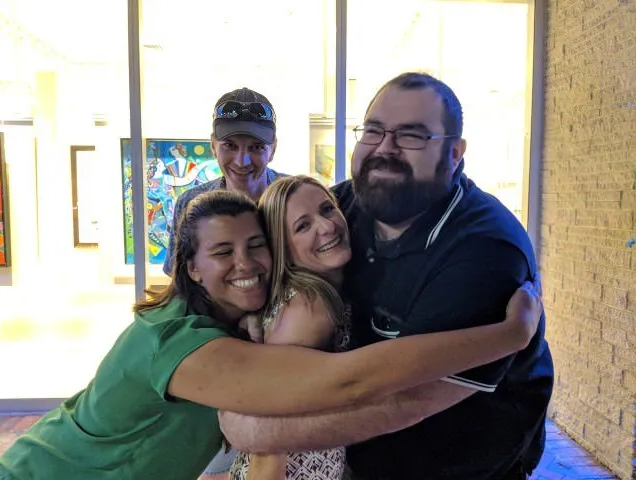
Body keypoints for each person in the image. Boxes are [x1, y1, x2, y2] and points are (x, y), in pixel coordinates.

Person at [0, 189, 541, 480]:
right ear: (190, 268)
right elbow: (347, 383)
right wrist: (508, 337)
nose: (246, 263)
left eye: (256, 245)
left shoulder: (235, 322)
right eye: (222, 252)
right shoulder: (182, 344)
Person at [219, 73, 554, 480]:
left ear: (454, 153)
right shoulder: (345, 205)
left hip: (461, 467)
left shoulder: (484, 250)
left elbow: (405, 398)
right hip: (357, 463)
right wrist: (252, 317)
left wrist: (255, 432)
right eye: (374, 130)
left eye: (411, 135)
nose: (385, 148)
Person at [163, 87, 285, 276]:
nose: (242, 161)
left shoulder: (294, 199)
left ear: (273, 149)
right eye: (230, 145)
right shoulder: (189, 204)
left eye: (257, 147)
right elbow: (179, 281)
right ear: (213, 146)